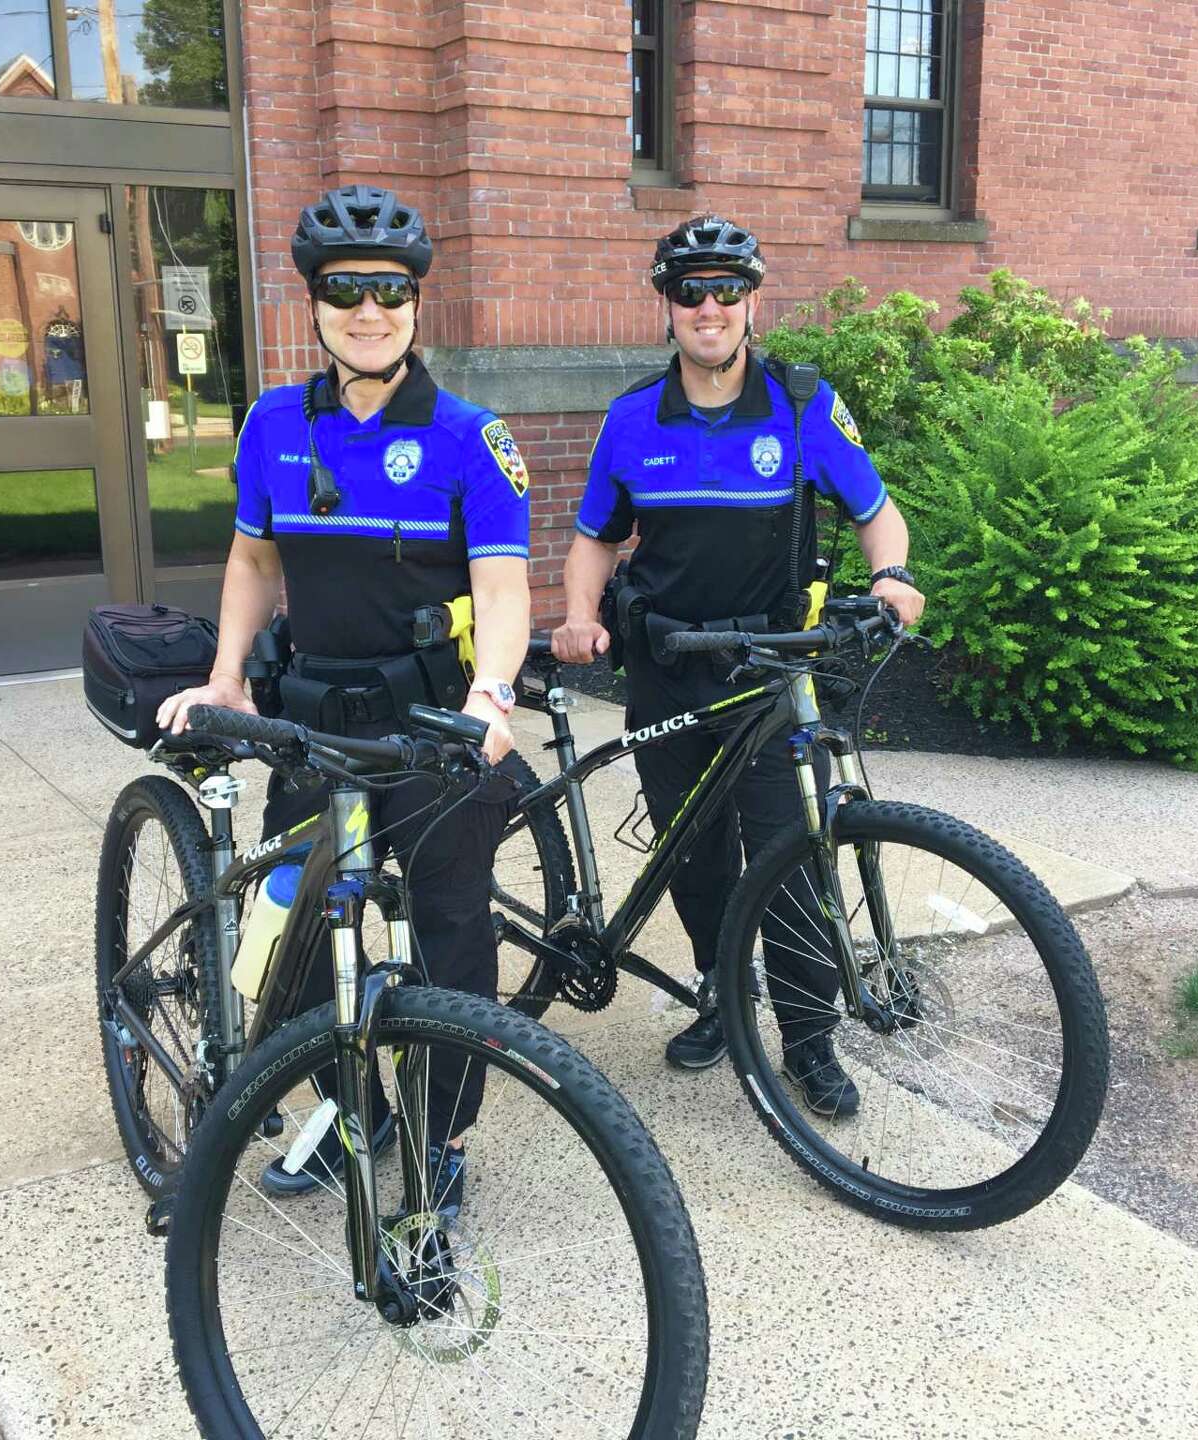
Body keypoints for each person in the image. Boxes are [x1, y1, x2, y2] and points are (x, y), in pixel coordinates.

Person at [157, 184, 532, 1211]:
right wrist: (227, 672)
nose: (369, 311)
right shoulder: (276, 424)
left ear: (417, 304)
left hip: (429, 734)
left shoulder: (468, 436)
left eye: (390, 291)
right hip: (309, 732)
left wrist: (492, 697)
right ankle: (347, 1109)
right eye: (344, 291)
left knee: (453, 935)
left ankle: (442, 1134)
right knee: (294, 934)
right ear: (313, 304)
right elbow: (251, 559)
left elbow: (503, 591)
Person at [551, 215, 928, 1116]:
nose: (709, 307)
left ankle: (807, 1042)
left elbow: (878, 512)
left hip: (769, 674)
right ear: (668, 307)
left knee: (790, 859)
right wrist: (575, 615)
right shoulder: (633, 418)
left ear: (752, 302)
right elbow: (595, 540)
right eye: (691, 292)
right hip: (665, 664)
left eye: (727, 290)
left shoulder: (801, 404)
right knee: (696, 857)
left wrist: (894, 575)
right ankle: (723, 994)